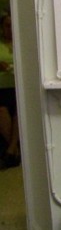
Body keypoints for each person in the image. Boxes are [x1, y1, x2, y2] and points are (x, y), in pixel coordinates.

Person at [0, 11, 20, 169]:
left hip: (18, 87)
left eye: (12, 25)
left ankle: (12, 151)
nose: (10, 29)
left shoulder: (21, 45)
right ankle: (14, 150)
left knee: (18, 113)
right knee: (2, 111)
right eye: (7, 26)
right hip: (2, 86)